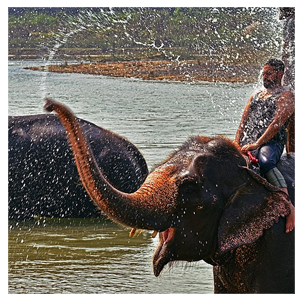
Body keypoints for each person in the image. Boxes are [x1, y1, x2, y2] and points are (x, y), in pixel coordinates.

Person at [234, 58, 295, 233]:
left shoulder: (287, 96)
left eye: (269, 73)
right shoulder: (256, 95)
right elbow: (243, 123)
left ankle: (289, 205)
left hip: (270, 144)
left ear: (280, 74)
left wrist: (257, 144)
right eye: (264, 73)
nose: (265, 77)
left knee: (265, 162)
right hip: (249, 143)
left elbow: (276, 124)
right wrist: (236, 144)